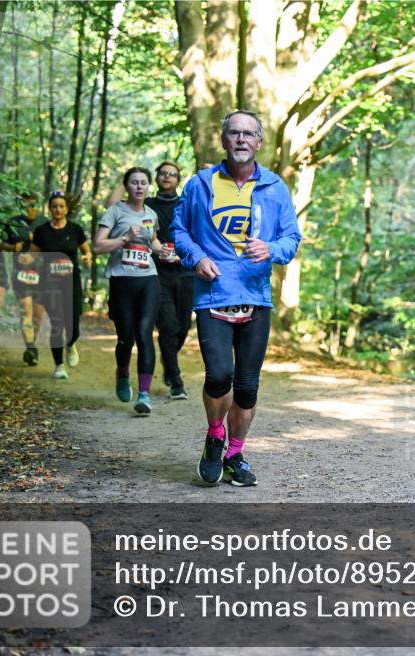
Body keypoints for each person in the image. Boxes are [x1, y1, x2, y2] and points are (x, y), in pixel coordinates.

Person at [172, 110, 301, 487]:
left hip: (256, 297)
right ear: (224, 140)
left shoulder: (275, 188)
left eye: (249, 134)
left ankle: (235, 454)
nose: (241, 139)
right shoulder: (200, 184)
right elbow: (179, 229)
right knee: (219, 376)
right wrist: (196, 258)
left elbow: (291, 239)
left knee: (247, 386)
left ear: (259, 142)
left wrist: (271, 248)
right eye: (234, 133)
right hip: (213, 293)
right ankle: (215, 437)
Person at [95, 167, 163, 415]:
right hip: (122, 279)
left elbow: (152, 242)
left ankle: (144, 394)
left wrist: (161, 250)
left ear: (148, 186)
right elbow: (98, 246)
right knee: (126, 338)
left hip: (148, 278)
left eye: (144, 183)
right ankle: (122, 374)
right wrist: (124, 238)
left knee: (145, 333)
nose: (139, 187)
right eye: (134, 182)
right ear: (127, 186)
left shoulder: (151, 214)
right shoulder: (115, 211)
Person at [25, 191, 91, 379]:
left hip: (72, 282)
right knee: (57, 323)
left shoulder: (75, 230)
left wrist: (87, 258)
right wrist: (25, 258)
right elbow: (33, 255)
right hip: (50, 282)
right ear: (50, 209)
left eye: (61, 206)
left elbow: (86, 251)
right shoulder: (42, 231)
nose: (58, 209)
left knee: (74, 322)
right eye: (54, 206)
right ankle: (59, 366)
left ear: (67, 209)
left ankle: (71, 345)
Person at [148, 161, 192, 399]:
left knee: (183, 327)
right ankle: (176, 380)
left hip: (186, 273)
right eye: (163, 173)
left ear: (178, 180)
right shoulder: (147, 205)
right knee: (168, 325)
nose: (167, 177)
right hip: (157, 273)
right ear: (157, 177)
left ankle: (168, 359)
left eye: (172, 174)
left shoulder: (186, 204)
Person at [8, 192, 47, 366]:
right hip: (21, 274)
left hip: (42, 275)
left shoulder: (45, 222)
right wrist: (11, 246)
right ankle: (30, 347)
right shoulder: (14, 222)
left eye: (31, 204)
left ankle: (33, 342)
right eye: (25, 204)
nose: (28, 207)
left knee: (38, 315)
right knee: (26, 310)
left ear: (37, 204)